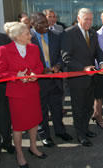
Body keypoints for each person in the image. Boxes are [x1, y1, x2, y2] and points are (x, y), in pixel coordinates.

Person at [0, 22, 46, 167]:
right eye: (26, 34)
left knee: (34, 121)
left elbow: (39, 66)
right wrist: (15, 75)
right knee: (18, 126)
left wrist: (35, 74)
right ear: (18, 37)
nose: (30, 35)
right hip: (16, 95)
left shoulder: (34, 48)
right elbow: (0, 73)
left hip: (32, 91)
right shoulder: (3, 50)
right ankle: (19, 153)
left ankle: (33, 147)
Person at [61, 8, 103, 147]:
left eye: (91, 19)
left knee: (87, 107)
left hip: (91, 78)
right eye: (86, 19)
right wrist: (83, 68)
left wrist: (102, 63)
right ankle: (80, 135)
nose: (89, 22)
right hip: (77, 79)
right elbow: (66, 57)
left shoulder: (92, 32)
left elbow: (98, 51)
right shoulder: (69, 33)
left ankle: (85, 129)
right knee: (78, 108)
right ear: (79, 19)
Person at [30, 13, 72, 147]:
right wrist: (41, 69)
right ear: (33, 24)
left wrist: (59, 65)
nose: (46, 26)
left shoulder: (56, 36)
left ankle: (60, 131)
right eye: (41, 23)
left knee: (57, 107)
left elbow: (62, 54)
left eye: (46, 22)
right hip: (38, 81)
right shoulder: (27, 38)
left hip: (55, 79)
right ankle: (45, 135)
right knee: (41, 109)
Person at [0, 32, 14, 163]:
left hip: (2, 88)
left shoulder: (3, 38)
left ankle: (7, 143)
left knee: (4, 118)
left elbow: (12, 61)